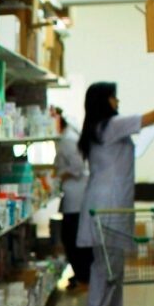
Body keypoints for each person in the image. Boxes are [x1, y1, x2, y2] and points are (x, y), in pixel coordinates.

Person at [76, 82, 154, 306]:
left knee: (113, 266)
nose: (117, 101)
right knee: (106, 267)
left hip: (110, 203)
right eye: (113, 97)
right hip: (108, 205)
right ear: (104, 101)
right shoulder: (110, 125)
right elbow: (150, 117)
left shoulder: (100, 128)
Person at [52, 106, 92, 290]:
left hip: (76, 196)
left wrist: (60, 175)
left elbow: (77, 167)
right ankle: (82, 275)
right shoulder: (68, 137)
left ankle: (84, 277)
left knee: (71, 237)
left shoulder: (68, 140)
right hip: (76, 195)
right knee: (72, 237)